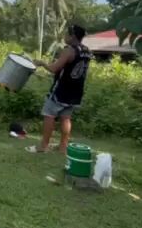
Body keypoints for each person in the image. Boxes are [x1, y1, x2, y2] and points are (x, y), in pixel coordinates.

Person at [26, 25, 92, 154]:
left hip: (61, 90)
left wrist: (42, 63)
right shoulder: (86, 51)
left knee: (49, 115)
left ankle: (43, 146)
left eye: (66, 35)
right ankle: (63, 147)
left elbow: (54, 69)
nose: (65, 37)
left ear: (72, 36)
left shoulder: (69, 50)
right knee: (66, 117)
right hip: (76, 91)